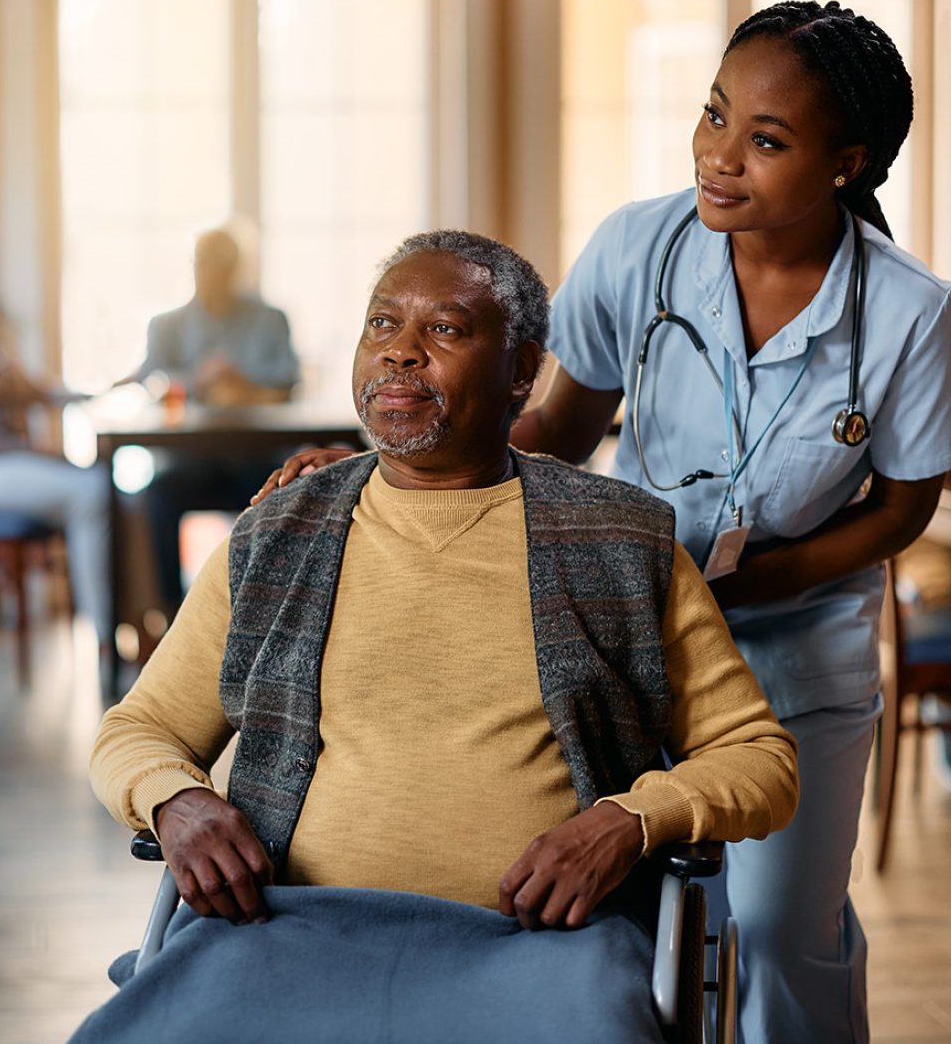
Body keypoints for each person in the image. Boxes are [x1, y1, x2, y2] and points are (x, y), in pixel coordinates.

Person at [255, 2, 951, 1044]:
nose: (719, 157)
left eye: (764, 141)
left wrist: (758, 582)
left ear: (847, 163)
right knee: (629, 906)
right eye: (714, 116)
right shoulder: (640, 246)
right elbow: (547, 429)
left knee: (775, 930)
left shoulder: (909, 313)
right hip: (631, 629)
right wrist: (381, 468)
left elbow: (902, 507)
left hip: (798, 640)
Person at [80, 232, 798, 1044]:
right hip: (282, 928)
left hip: (544, 945)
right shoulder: (278, 533)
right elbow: (136, 731)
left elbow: (759, 758)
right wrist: (177, 801)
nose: (402, 355)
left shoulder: (619, 541)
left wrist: (627, 820)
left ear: (523, 371)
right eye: (382, 325)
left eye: (446, 330)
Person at [0, 212, 112, 654]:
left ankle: (138, 629)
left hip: (4, 458)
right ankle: (105, 637)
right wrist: (33, 452)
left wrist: (93, 392)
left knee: (116, 494)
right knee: (92, 493)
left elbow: (27, 386)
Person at [127, 227, 301, 614]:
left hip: (258, 459)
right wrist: (197, 381)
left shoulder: (270, 319)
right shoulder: (166, 326)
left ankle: (273, 615)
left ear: (236, 269)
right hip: (189, 461)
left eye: (222, 266)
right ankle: (170, 616)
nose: (212, 275)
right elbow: (152, 382)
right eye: (205, 265)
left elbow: (287, 383)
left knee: (290, 493)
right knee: (156, 498)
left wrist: (243, 384)